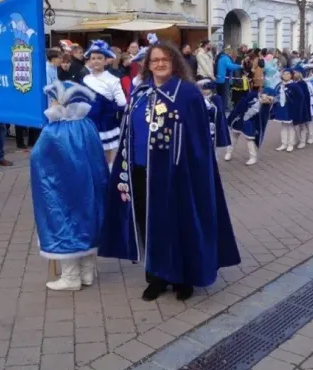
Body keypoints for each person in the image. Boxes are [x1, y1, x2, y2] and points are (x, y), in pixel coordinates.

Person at [99, 41, 241, 302]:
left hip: (177, 174)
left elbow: (199, 141)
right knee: (148, 224)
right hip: (140, 171)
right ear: (148, 64)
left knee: (177, 224)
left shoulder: (187, 94)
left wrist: (191, 170)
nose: (159, 64)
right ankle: (156, 277)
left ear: (174, 62)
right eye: (154, 60)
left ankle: (182, 278)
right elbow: (129, 131)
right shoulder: (140, 92)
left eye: (164, 59)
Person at [31, 81, 109, 291]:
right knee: (87, 223)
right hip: (89, 188)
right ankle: (87, 273)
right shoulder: (87, 125)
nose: (51, 103)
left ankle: (71, 277)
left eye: (54, 99)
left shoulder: (54, 130)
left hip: (62, 189)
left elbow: (37, 157)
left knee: (64, 224)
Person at [82, 40, 127, 165]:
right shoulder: (85, 79)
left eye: (99, 58)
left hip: (107, 126)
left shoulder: (113, 80)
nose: (96, 61)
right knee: (91, 162)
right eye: (93, 58)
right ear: (89, 60)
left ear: (106, 60)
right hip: (88, 126)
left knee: (108, 163)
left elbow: (122, 103)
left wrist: (109, 107)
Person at [228, 87, 272, 166]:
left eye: (269, 99)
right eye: (266, 97)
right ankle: (229, 152)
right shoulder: (252, 95)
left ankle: (253, 157)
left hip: (250, 122)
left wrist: (268, 101)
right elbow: (241, 104)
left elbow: (262, 118)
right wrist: (237, 115)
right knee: (234, 134)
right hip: (241, 118)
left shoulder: (265, 106)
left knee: (249, 138)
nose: (267, 99)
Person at [197, 79, 232, 161]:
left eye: (206, 89)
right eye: (202, 89)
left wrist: (210, 107)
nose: (204, 91)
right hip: (202, 126)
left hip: (213, 127)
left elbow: (219, 111)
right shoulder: (198, 98)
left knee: (213, 147)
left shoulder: (216, 98)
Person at [271, 68, 304, 152]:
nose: (286, 75)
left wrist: (294, 103)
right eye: (284, 74)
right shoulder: (279, 85)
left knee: (291, 126)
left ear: (291, 75)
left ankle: (290, 144)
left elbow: (300, 97)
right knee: (283, 126)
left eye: (288, 74)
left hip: (290, 108)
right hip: (282, 108)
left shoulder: (294, 85)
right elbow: (275, 95)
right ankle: (284, 143)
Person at [214, 46, 242, 110]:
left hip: (220, 79)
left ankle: (221, 107)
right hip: (224, 79)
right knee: (225, 94)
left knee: (220, 94)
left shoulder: (221, 58)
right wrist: (239, 66)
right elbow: (230, 67)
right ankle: (225, 107)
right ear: (229, 53)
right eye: (231, 53)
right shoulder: (226, 58)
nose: (232, 54)